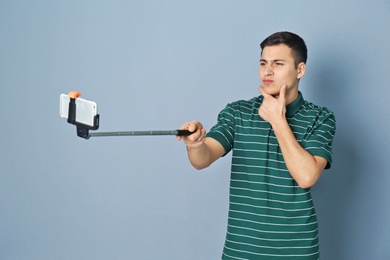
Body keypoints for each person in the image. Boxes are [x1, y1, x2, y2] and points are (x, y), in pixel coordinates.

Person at [177, 31, 336, 259]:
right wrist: (195, 144)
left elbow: (307, 176)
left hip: (297, 251)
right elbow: (202, 159)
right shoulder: (238, 112)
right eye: (263, 63)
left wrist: (278, 120)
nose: (267, 71)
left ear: (299, 70)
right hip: (241, 250)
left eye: (278, 64)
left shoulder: (321, 118)